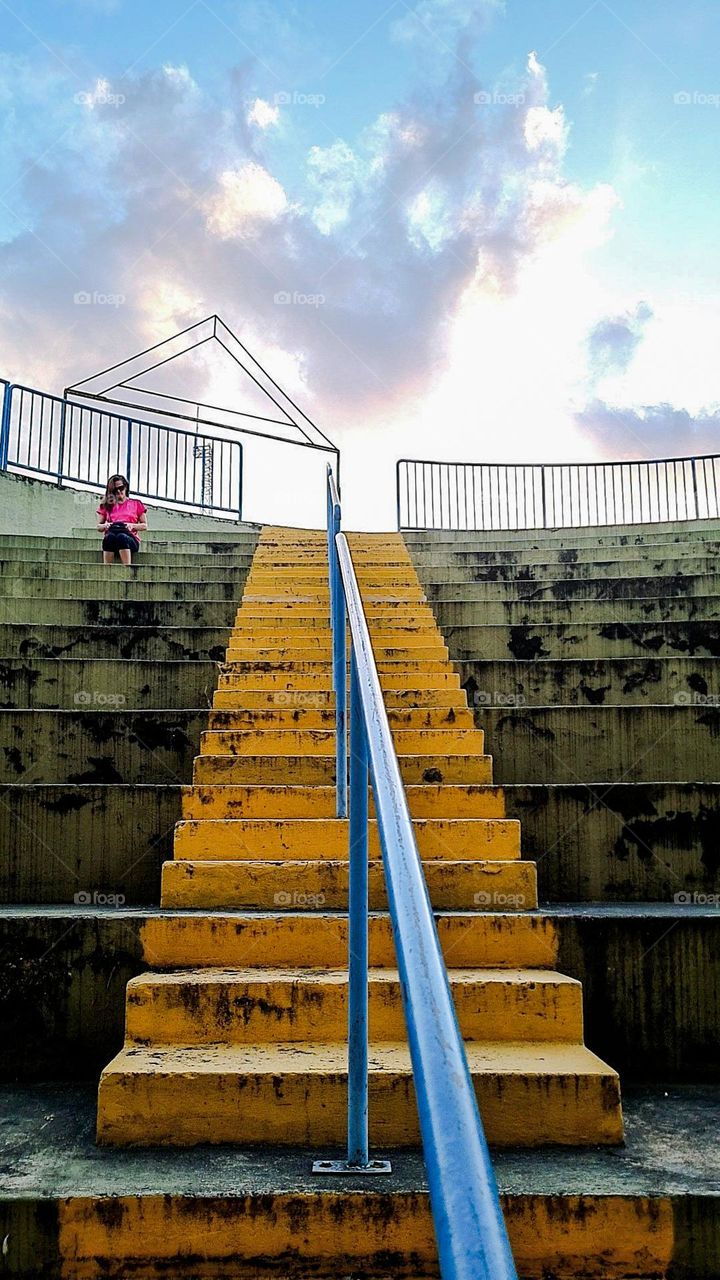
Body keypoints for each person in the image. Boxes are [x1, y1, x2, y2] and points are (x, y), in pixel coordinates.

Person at [97, 475, 148, 565]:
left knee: (122, 537)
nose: (119, 491)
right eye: (115, 490)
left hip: (130, 538)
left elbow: (144, 526)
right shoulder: (106, 505)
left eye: (121, 488)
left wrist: (132, 526)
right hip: (112, 536)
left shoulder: (136, 504)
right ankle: (106, 570)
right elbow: (99, 527)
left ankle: (127, 569)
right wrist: (106, 525)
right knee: (109, 538)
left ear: (126, 487)